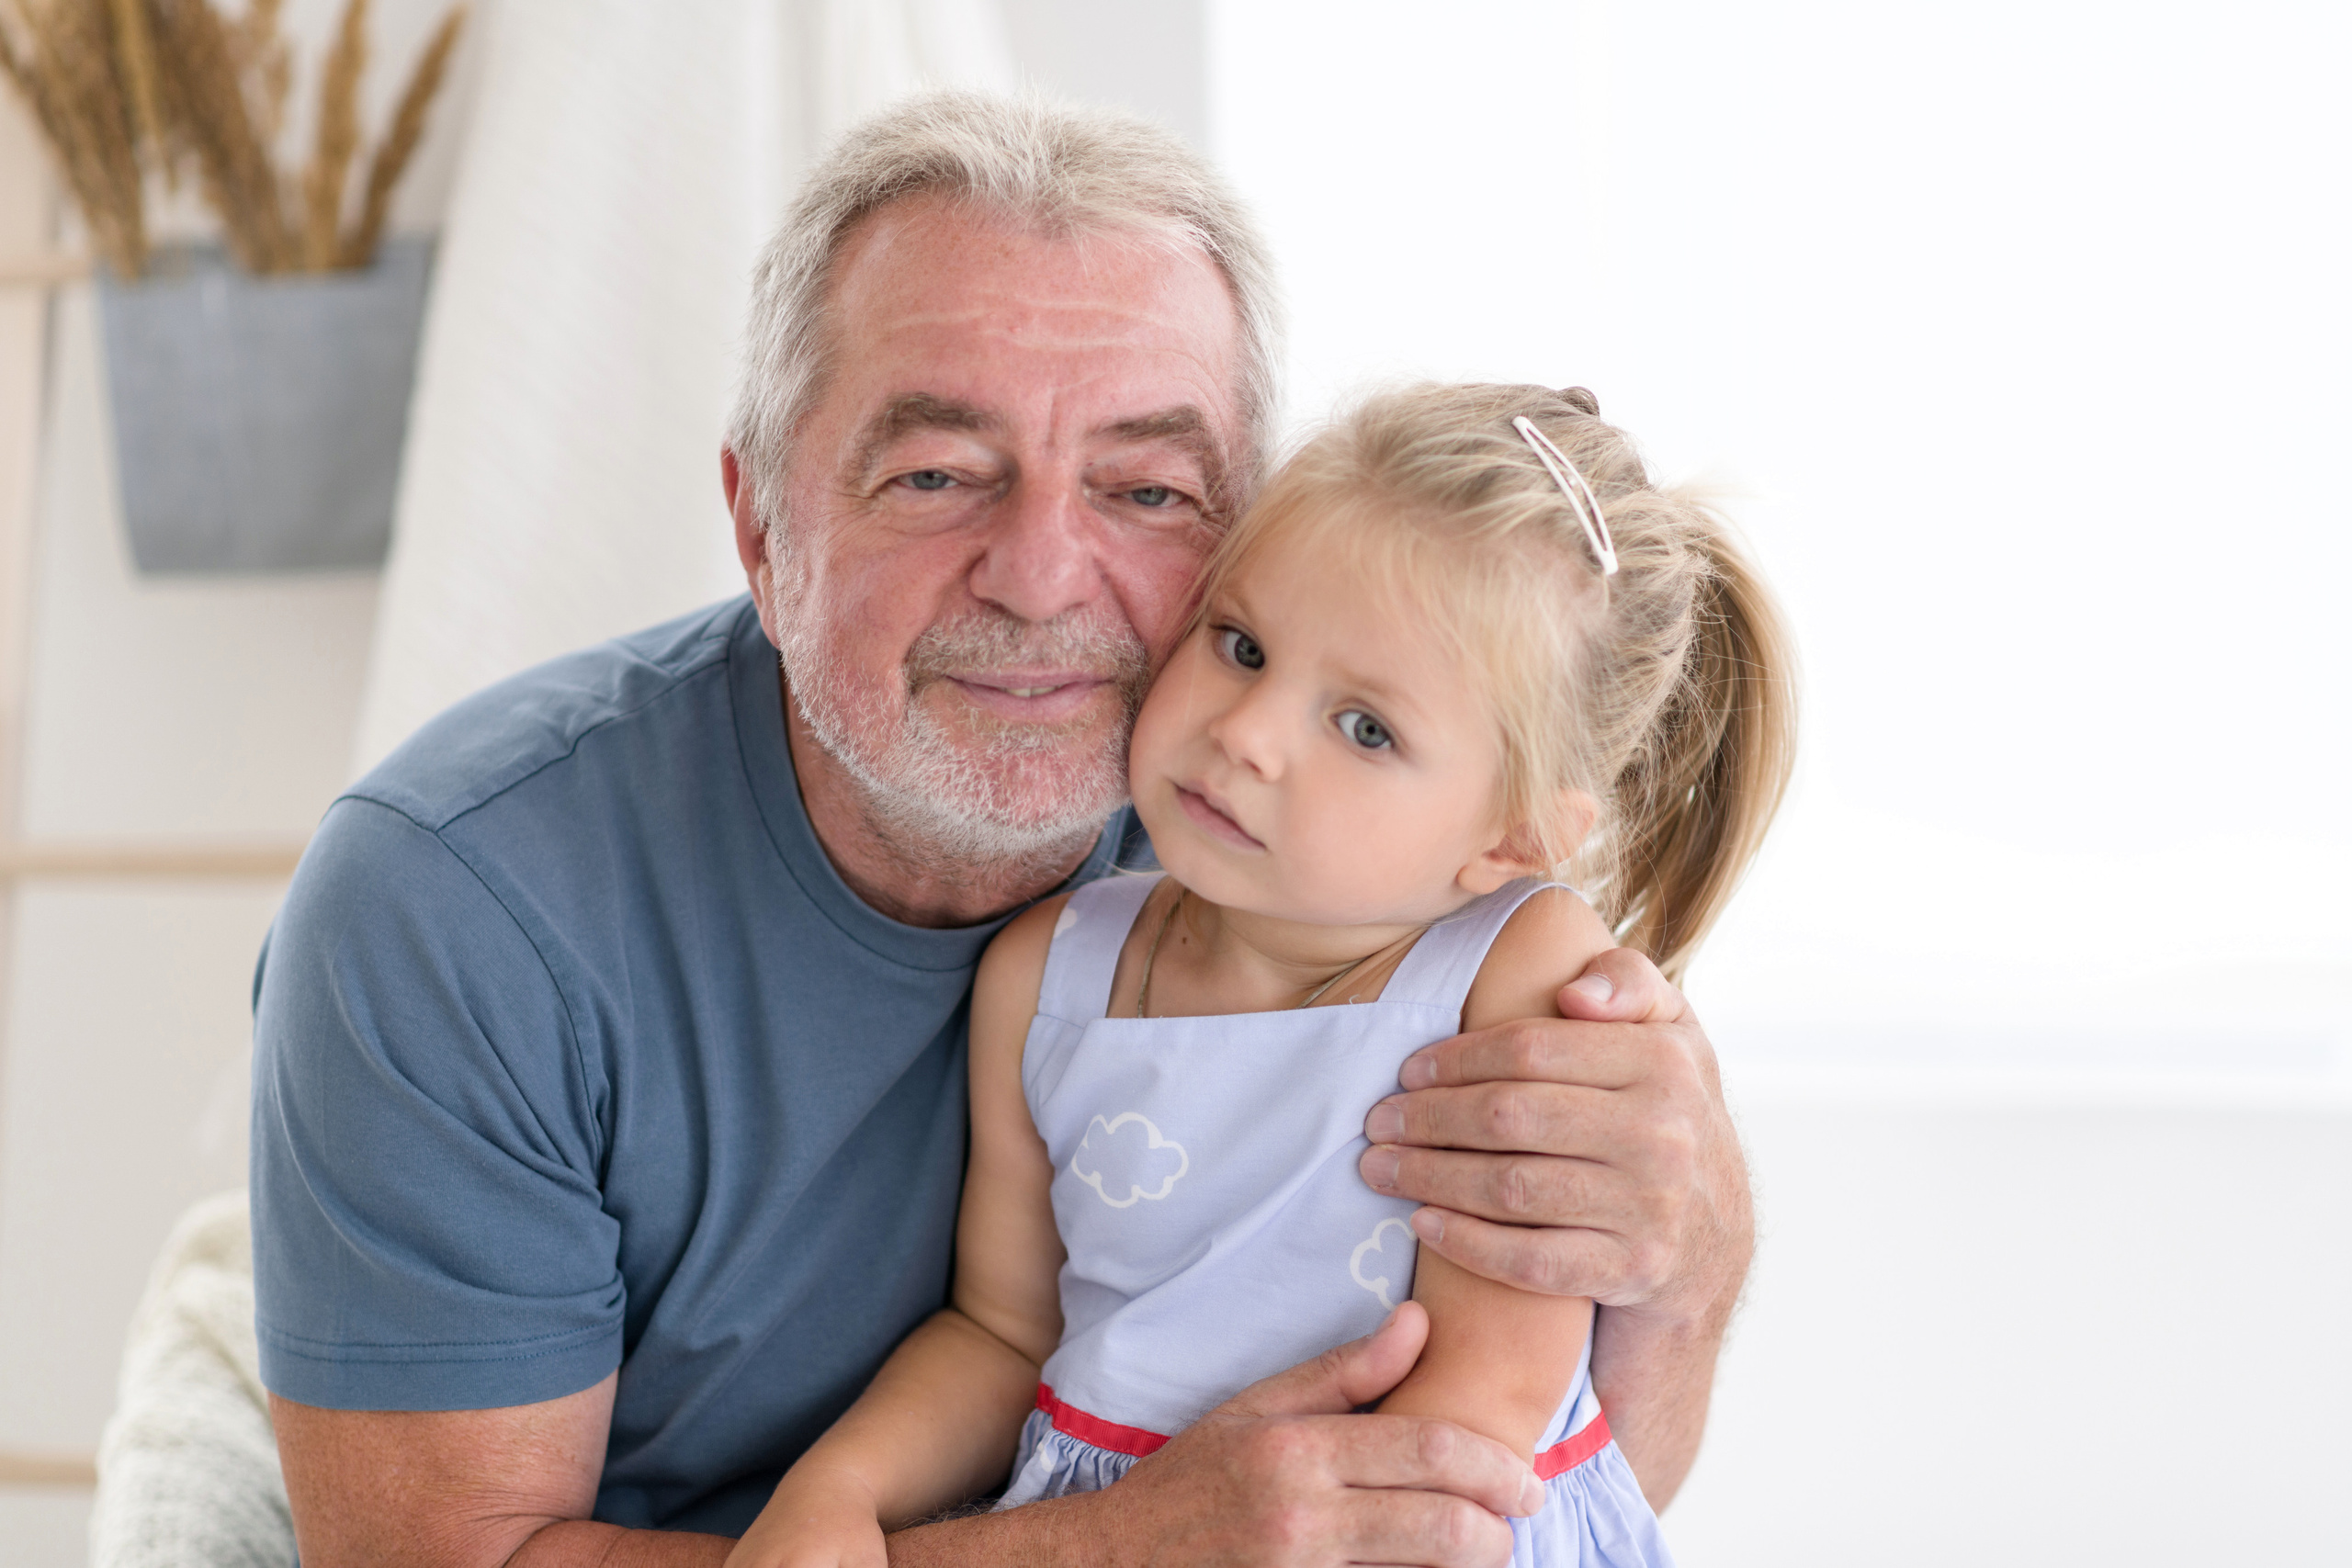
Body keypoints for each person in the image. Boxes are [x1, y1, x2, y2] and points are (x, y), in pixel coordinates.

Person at [254, 95, 1758, 1568]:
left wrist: (1685, 1260)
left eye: (1146, 489)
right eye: (937, 474)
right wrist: (1119, 1553)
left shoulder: (1346, 862)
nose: (1041, 578)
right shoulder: (459, 903)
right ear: (763, 531)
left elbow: (1581, 1476)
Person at [726, 382, 1792, 1568]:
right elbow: (1000, 1331)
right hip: (1112, 1528)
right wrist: (838, 1492)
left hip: (1402, 1524)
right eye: (1241, 647)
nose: (1247, 732)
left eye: (1366, 728)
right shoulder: (1049, 977)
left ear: (1514, 840)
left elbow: (1485, 1404)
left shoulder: (1520, 972)